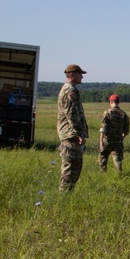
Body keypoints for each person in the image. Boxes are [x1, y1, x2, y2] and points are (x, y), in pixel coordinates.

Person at [57, 64, 89, 192]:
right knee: (70, 170)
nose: (81, 76)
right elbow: (71, 114)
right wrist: (79, 133)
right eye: (79, 74)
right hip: (70, 135)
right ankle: (63, 197)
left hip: (71, 135)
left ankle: (67, 194)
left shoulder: (69, 89)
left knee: (75, 168)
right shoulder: (70, 90)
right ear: (71, 75)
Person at [99, 94, 130, 173]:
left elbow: (103, 129)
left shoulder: (107, 113)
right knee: (117, 160)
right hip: (118, 141)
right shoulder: (123, 114)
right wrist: (121, 138)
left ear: (110, 102)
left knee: (103, 158)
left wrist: (101, 141)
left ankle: (103, 175)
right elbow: (126, 131)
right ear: (118, 102)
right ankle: (119, 175)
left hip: (107, 140)